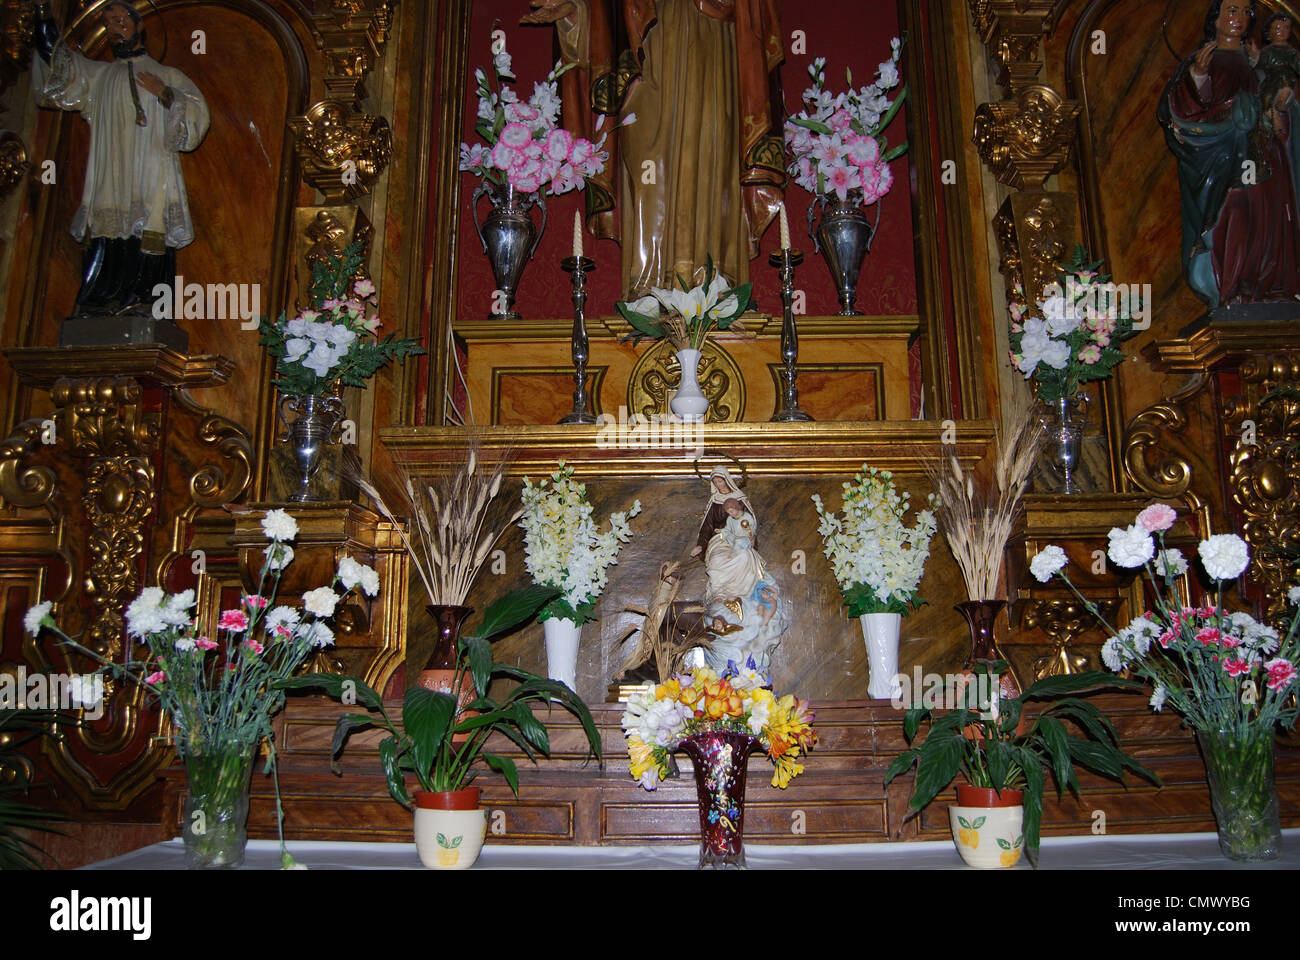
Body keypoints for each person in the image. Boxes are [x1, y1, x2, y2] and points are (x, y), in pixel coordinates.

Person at [523, 0, 785, 297]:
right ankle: (649, 288)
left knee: (708, 161)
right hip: (646, 49)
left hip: (713, 44)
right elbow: (602, 25)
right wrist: (575, 14)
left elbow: (759, 18)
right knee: (647, 165)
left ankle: (712, 285)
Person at [31, 0, 210, 315]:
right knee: (107, 227)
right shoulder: (99, 76)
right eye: (109, 22)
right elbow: (59, 63)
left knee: (150, 232)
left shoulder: (167, 75)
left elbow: (198, 118)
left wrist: (165, 93)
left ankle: (147, 301)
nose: (115, 26)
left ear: (139, 24)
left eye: (121, 19)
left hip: (153, 172)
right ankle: (100, 300)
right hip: (111, 171)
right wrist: (44, 17)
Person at [1158, 0, 1300, 307]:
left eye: (1246, 12)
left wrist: (1278, 109)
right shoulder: (1205, 59)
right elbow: (1182, 108)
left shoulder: (1259, 62)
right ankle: (1230, 286)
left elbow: (1277, 103)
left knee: (1268, 217)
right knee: (1233, 216)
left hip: (1263, 151)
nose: (1239, 18)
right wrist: (1198, 74)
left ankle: (1269, 287)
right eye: (1231, 10)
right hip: (1222, 155)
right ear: (1217, 19)